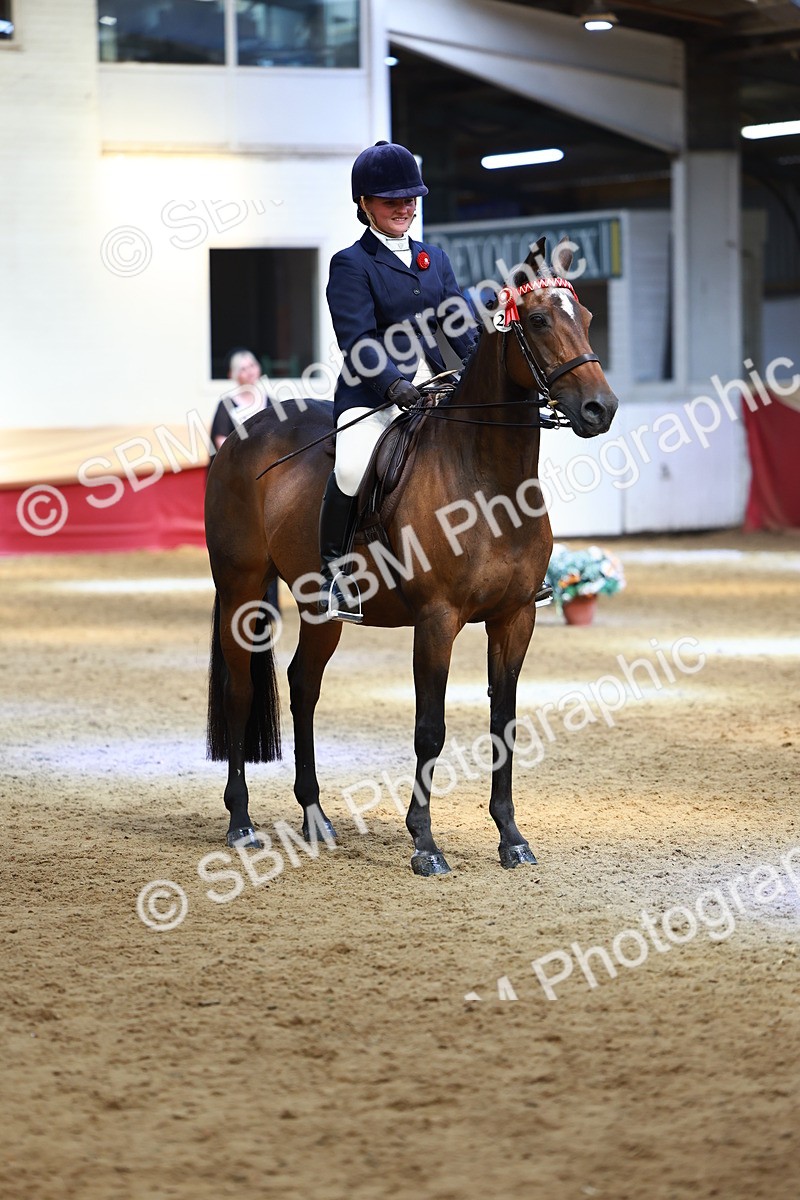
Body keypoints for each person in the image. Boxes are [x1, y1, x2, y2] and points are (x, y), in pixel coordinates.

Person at [319, 140, 480, 623]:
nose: (404, 207)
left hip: (435, 388)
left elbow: (461, 327)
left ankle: (515, 563)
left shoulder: (435, 259)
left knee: (491, 450)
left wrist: (479, 373)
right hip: (375, 394)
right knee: (350, 467)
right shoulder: (351, 263)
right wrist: (392, 386)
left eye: (410, 198)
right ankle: (334, 576)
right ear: (364, 204)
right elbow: (358, 339)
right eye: (391, 200)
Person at [210, 348, 280, 615]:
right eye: (242, 368)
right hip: (238, 484)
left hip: (268, 482)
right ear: (233, 375)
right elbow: (220, 441)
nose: (249, 371)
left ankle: (270, 603)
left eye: (252, 365)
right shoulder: (226, 405)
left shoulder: (271, 403)